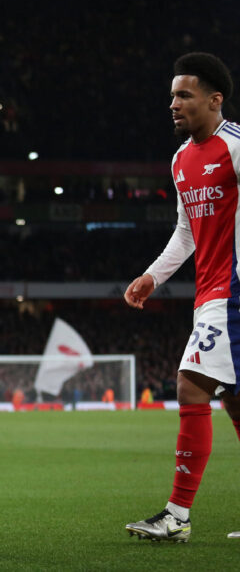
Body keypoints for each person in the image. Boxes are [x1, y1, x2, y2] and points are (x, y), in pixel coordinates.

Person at [123, 51, 240, 544]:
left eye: (184, 95)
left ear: (214, 100)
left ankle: (176, 516)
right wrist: (153, 276)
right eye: (172, 95)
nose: (173, 103)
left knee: (190, 385)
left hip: (233, 292)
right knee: (235, 403)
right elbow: (185, 233)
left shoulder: (235, 146)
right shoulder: (180, 159)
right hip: (209, 291)